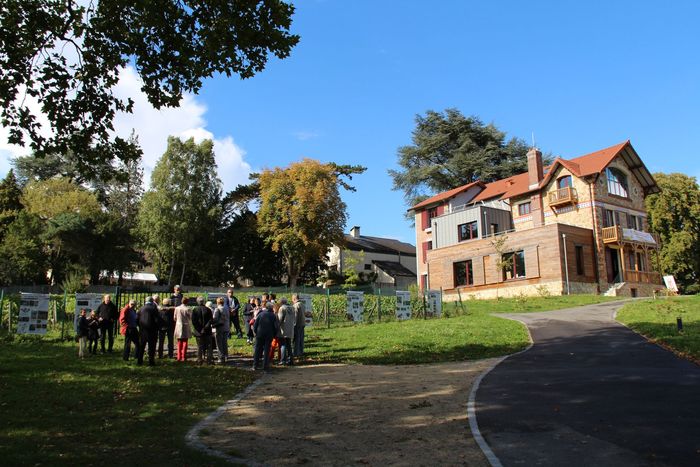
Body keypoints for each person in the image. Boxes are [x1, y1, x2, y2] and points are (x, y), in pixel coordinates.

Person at [252, 302, 279, 371]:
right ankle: (265, 366)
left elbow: (255, 325)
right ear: (271, 308)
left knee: (257, 350)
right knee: (267, 351)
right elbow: (276, 327)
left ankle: (255, 365)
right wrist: (274, 334)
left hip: (259, 334)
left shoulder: (260, 314)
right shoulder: (273, 315)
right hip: (269, 335)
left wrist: (255, 332)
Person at [137, 296, 162, 366]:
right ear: (152, 301)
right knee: (152, 347)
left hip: (143, 331)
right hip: (152, 331)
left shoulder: (141, 308)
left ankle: (139, 361)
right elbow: (157, 320)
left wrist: (140, 326)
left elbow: (136, 319)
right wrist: (157, 327)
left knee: (142, 346)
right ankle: (151, 362)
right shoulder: (154, 308)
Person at [191, 297, 214, 364]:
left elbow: (194, 321)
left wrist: (200, 329)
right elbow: (210, 320)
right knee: (209, 346)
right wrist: (205, 328)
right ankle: (209, 359)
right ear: (204, 302)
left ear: (198, 302)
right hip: (207, 331)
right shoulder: (208, 310)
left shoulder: (195, 310)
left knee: (199, 346)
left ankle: (199, 359)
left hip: (198, 331)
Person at [277, 297, 295, 366]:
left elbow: (280, 319)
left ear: (281, 302)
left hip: (283, 329)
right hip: (290, 328)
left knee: (283, 345)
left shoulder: (282, 308)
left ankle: (283, 360)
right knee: (289, 345)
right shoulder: (292, 307)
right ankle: (291, 360)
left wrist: (277, 327)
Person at [173, 297, 192, 361]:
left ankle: (179, 356)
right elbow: (190, 317)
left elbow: (174, 318)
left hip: (178, 325)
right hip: (185, 325)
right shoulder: (188, 309)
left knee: (179, 342)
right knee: (185, 341)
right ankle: (183, 356)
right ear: (187, 302)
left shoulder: (177, 308)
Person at [212, 297, 228, 364]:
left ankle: (220, 358)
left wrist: (212, 323)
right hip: (226, 327)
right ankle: (225, 356)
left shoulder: (217, 309)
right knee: (224, 343)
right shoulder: (226, 309)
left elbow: (215, 319)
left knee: (219, 344)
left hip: (219, 328)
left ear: (217, 302)